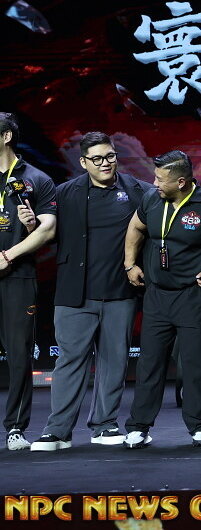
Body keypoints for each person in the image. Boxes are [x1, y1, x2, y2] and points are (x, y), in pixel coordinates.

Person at [30, 133, 153, 451]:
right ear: (83, 163)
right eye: (96, 159)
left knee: (114, 362)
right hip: (74, 293)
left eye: (110, 156)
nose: (105, 163)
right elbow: (46, 232)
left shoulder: (139, 191)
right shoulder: (64, 193)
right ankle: (58, 431)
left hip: (120, 292)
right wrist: (31, 224)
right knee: (69, 361)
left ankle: (104, 425)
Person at [122, 150, 201, 448]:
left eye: (160, 179)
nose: (154, 183)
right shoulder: (152, 199)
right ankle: (139, 427)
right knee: (149, 364)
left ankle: (200, 427)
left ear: (181, 182)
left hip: (192, 296)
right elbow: (136, 226)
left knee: (195, 365)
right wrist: (130, 263)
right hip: (156, 295)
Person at [0, 112, 57, 451]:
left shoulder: (35, 179)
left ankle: (15, 429)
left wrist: (9, 254)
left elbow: (47, 230)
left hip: (17, 277)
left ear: (6, 136)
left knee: (19, 356)